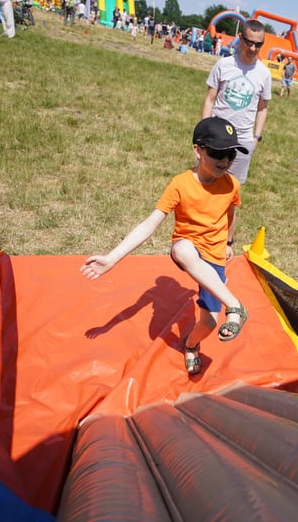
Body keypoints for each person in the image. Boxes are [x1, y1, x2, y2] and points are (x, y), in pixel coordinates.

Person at [80, 116, 250, 375]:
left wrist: (228, 241)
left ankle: (191, 345)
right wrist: (111, 259)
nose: (225, 161)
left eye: (230, 154)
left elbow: (231, 212)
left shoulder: (232, 185)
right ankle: (236, 306)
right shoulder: (180, 184)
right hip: (189, 249)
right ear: (197, 150)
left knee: (209, 324)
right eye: (217, 152)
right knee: (182, 250)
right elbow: (149, 225)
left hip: (215, 256)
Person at [201, 19, 272, 185]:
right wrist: (205, 131)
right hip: (216, 135)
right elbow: (210, 99)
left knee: (231, 190)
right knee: (204, 184)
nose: (253, 49)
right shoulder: (223, 65)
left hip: (243, 140)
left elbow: (262, 108)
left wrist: (256, 138)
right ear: (240, 38)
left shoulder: (264, 74)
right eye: (249, 43)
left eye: (258, 44)